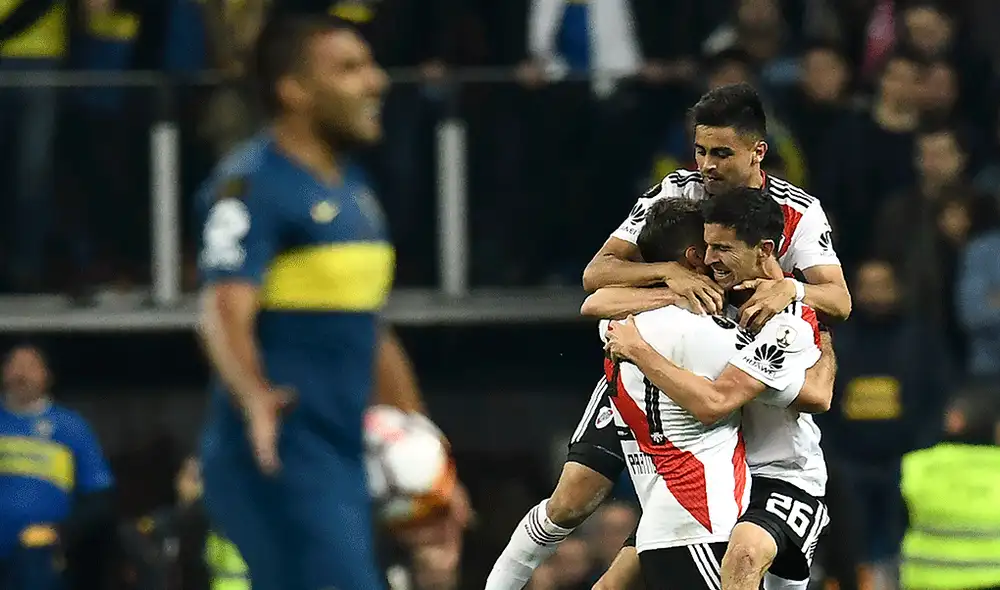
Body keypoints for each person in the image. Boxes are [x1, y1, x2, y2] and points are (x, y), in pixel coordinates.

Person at [486, 82, 848, 590]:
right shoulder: (678, 190)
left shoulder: (799, 212)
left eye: (722, 153)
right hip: (670, 352)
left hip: (740, 365)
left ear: (757, 152)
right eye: (701, 150)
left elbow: (839, 301)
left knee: (715, 550)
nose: (708, 165)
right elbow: (596, 279)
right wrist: (669, 279)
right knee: (572, 498)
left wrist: (790, 286)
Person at [195, 17, 466, 590]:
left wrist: (431, 458)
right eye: (349, 69)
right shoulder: (252, 183)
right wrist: (255, 399)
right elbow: (221, 310)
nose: (376, 82)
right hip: (277, 455)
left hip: (341, 456)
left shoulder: (353, 191)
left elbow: (372, 332)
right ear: (293, 90)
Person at [601, 188, 834, 590]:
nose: (708, 260)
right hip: (723, 477)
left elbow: (815, 396)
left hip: (783, 476)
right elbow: (596, 300)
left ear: (763, 249)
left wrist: (638, 350)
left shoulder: (791, 319)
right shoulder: (715, 295)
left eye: (722, 248)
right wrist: (668, 283)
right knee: (611, 584)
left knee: (742, 556)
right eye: (707, 247)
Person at [0, 344, 115, 590]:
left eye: (30, 366)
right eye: (14, 365)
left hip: (39, 556)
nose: (21, 374)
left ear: (46, 376)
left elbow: (99, 498)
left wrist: (60, 532)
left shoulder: (71, 427)